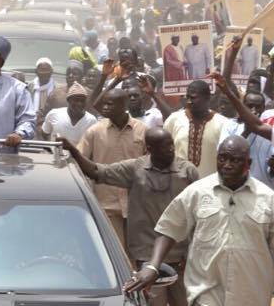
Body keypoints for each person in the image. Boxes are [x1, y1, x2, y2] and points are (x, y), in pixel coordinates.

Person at [125, 135, 274, 306]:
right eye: (222, 158)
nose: (227, 165)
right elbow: (168, 229)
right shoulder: (197, 192)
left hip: (251, 296)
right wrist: (153, 267)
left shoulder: (269, 200)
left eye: (235, 160)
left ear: (249, 164)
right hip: (205, 295)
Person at [62, 128, 199, 306]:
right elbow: (96, 171)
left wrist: (190, 254)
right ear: (149, 148)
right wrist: (73, 151)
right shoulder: (135, 168)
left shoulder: (187, 171)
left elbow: (198, 215)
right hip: (147, 259)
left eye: (171, 145)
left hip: (180, 259)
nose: (170, 150)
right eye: (164, 147)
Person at [78, 87, 147, 249]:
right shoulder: (94, 131)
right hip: (106, 205)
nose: (105, 108)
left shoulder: (142, 130)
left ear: (124, 105)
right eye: (104, 104)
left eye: (110, 104)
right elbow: (79, 160)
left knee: (138, 254)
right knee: (115, 253)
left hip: (137, 205)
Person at [163, 79, 228, 177]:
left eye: (193, 98)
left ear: (207, 98)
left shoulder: (223, 123)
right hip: (179, 184)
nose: (189, 101)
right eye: (187, 97)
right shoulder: (174, 119)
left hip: (209, 187)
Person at [219, 90, 274, 190]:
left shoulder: (269, 131)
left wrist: (273, 167)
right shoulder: (231, 125)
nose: (253, 110)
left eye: (257, 107)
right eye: (250, 106)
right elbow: (222, 153)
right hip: (233, 185)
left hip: (260, 188)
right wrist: (247, 131)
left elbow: (273, 172)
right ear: (242, 106)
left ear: (263, 108)